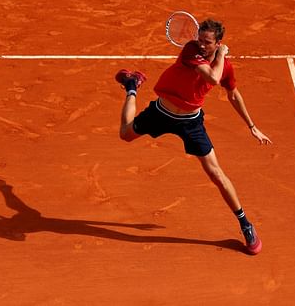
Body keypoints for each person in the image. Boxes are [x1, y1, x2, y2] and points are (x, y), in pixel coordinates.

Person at [115, 18, 272, 255]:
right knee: (125, 134)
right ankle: (132, 86)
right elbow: (212, 78)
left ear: (218, 42)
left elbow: (233, 95)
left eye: (207, 42)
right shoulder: (191, 50)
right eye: (200, 39)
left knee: (216, 173)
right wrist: (220, 55)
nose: (201, 45)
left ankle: (245, 224)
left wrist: (252, 125)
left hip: (190, 122)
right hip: (162, 111)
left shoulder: (225, 66)